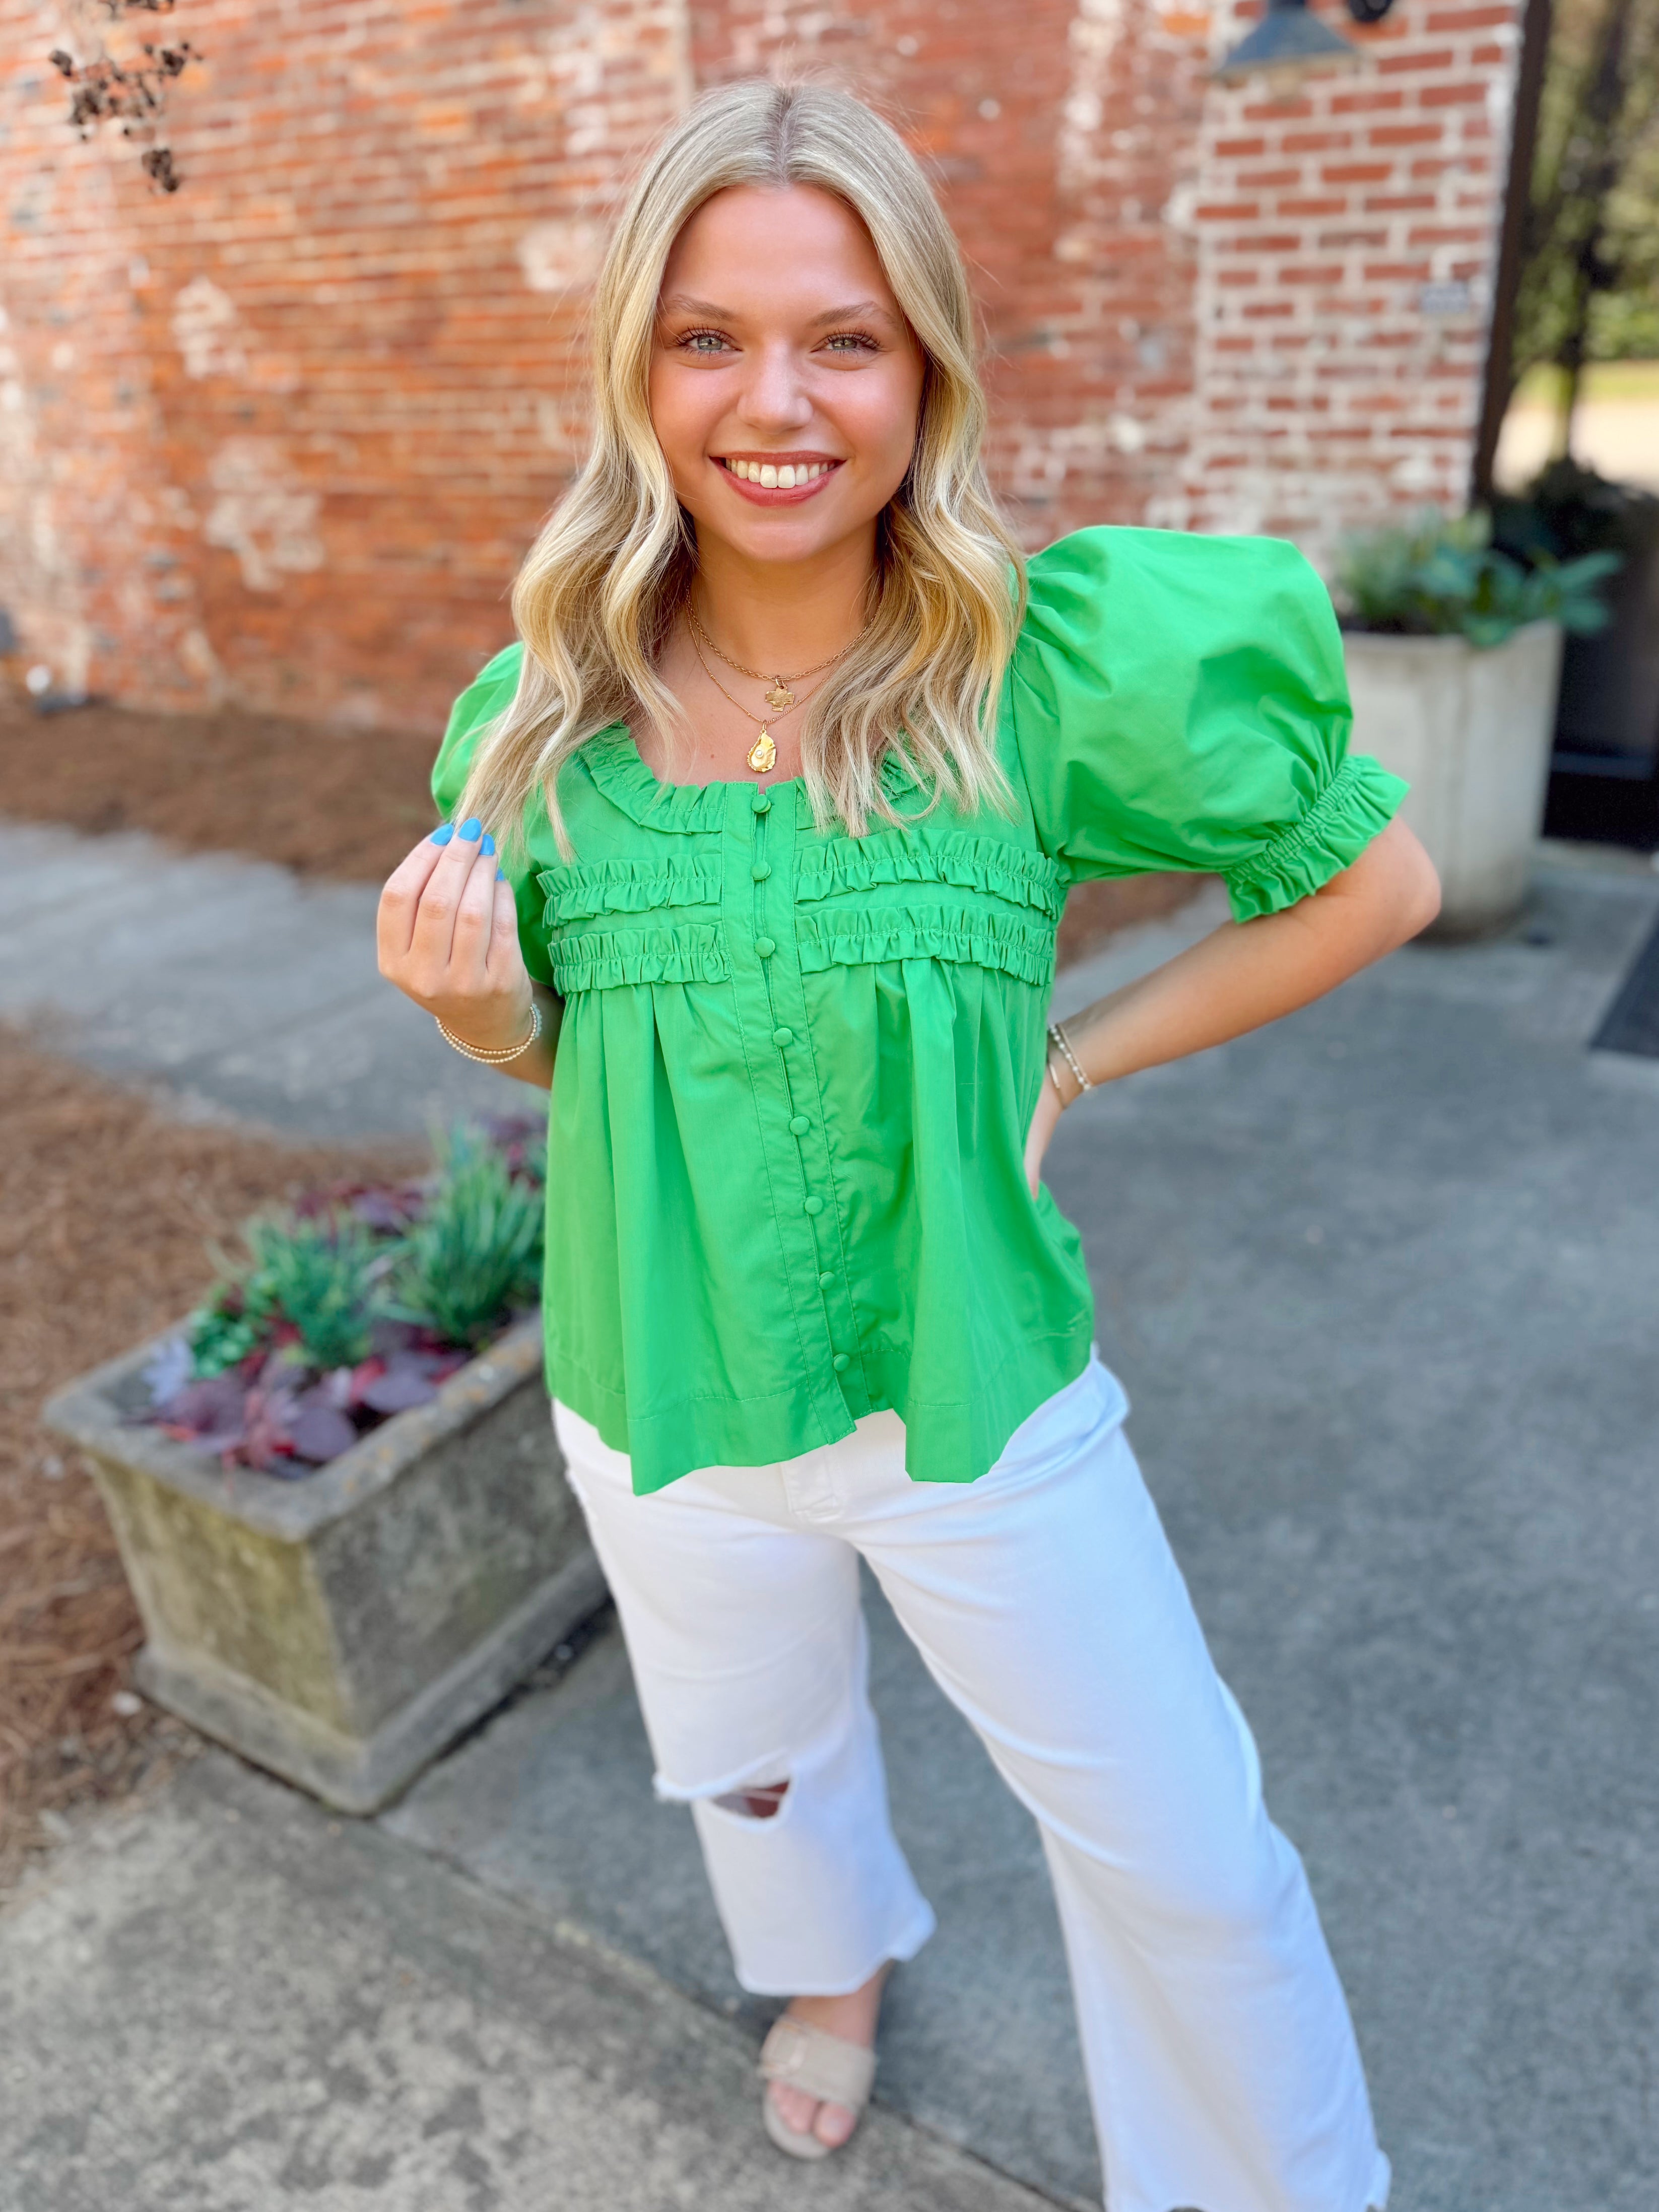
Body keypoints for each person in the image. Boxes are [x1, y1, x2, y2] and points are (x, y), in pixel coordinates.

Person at [377, 78, 1437, 2212]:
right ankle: (833, 1975)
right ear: (638, 370)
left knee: (1195, 1869)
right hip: (659, 1390)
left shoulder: (1034, 675)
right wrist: (474, 1002)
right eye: (708, 339)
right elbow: (581, 1069)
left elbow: (1368, 883)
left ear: (921, 366)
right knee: (758, 1775)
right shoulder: (535, 718)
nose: (775, 400)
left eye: (840, 337)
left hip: (976, 1401)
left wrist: (1069, 1066)